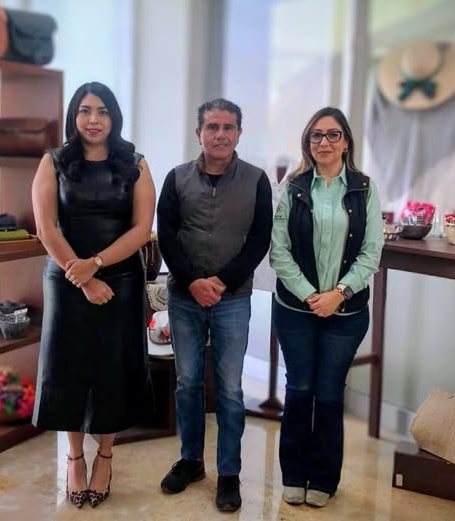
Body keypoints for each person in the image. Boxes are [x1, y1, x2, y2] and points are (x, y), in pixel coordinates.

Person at [31, 81, 156, 509]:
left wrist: (97, 265)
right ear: (74, 116)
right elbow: (46, 228)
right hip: (66, 280)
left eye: (102, 111)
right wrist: (82, 277)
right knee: (69, 368)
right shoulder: (54, 161)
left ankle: (105, 456)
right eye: (85, 110)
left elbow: (141, 230)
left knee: (111, 370)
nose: (94, 119)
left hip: (120, 279)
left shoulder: (135, 163)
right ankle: (74, 458)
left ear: (113, 117)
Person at [157, 98, 272, 513]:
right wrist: (193, 282)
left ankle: (228, 473)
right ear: (199, 133)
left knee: (230, 388)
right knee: (188, 382)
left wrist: (220, 283)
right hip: (184, 298)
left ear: (239, 133)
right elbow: (167, 236)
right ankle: (191, 461)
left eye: (227, 127)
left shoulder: (257, 180)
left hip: (232, 300)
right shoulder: (176, 178)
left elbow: (259, 240)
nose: (220, 134)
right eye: (212, 127)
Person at [270, 107, 384, 508]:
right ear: (308, 143)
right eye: (316, 135)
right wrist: (309, 295)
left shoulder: (364, 189)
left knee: (330, 393)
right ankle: (293, 474)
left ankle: (322, 478)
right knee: (300, 389)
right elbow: (279, 251)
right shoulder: (293, 187)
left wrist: (339, 293)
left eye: (333, 134)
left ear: (346, 142)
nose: (324, 142)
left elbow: (371, 252)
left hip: (346, 313)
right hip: (295, 309)